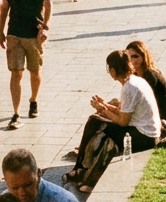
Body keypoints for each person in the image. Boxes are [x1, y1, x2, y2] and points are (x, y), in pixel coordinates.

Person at [67, 50, 161, 192]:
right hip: (144, 131)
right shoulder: (133, 81)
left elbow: (123, 122)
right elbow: (123, 112)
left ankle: (86, 175)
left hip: (145, 137)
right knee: (95, 121)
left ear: (113, 70)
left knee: (99, 126)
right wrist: (105, 106)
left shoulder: (130, 87)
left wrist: (103, 110)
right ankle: (81, 168)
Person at [0, 0, 52, 130]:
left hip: (34, 34)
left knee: (35, 71)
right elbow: (4, 6)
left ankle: (33, 100)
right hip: (14, 33)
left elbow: (48, 4)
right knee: (16, 72)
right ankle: (16, 113)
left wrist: (45, 26)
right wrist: (0, 31)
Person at [1, 148, 83, 202]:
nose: (22, 193)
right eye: (15, 188)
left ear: (38, 174)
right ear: (6, 181)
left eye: (28, 185)